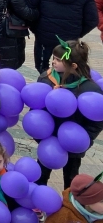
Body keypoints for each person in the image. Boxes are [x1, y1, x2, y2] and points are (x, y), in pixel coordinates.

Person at [37, 39, 103, 188]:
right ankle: (36, 206)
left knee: (72, 179)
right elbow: (38, 111)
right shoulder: (46, 79)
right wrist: (41, 136)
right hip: (50, 141)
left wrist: (85, 140)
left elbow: (98, 120)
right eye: (54, 58)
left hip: (74, 144)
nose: (53, 62)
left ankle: (70, 207)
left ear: (73, 66)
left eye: (59, 60)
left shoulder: (89, 89)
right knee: (41, 174)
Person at [27, 0, 98, 73]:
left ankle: (46, 85)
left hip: (44, 36)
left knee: (42, 68)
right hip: (69, 39)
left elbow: (28, 10)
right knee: (67, 68)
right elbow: (92, 19)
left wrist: (36, 29)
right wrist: (77, 33)